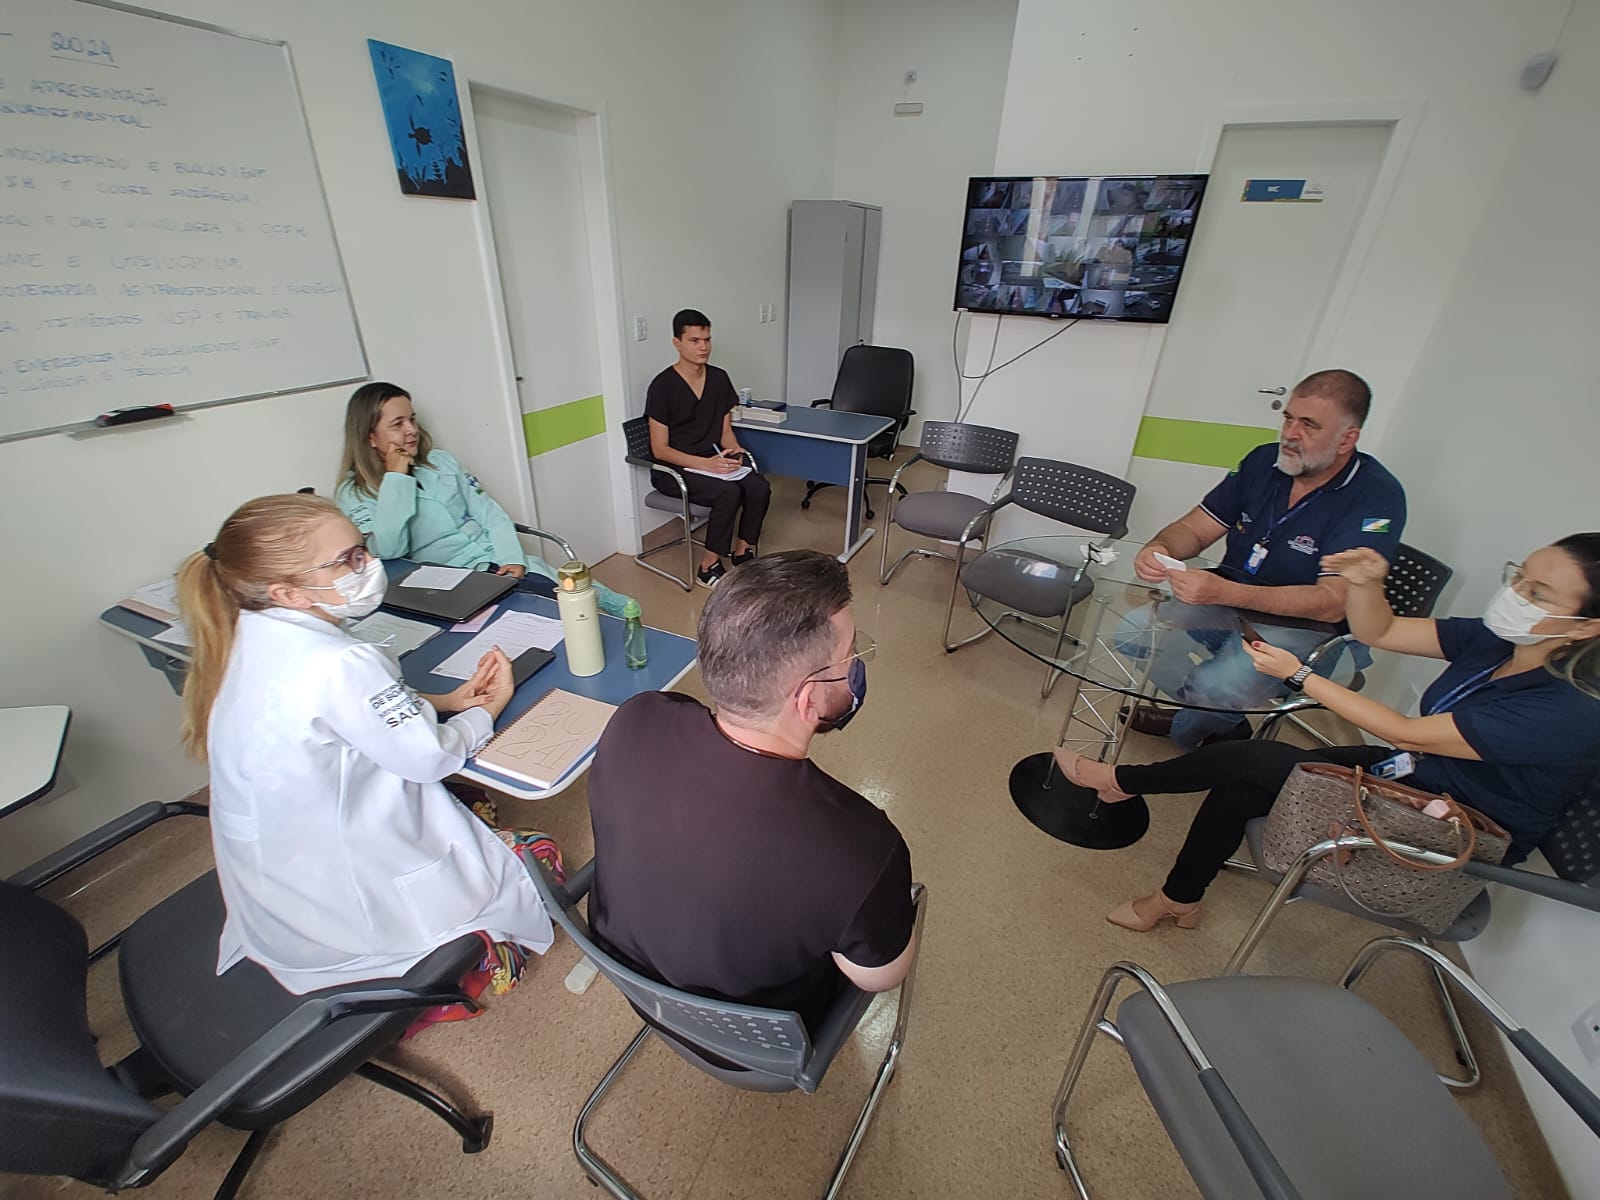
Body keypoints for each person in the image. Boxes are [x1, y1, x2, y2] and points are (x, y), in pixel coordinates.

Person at [1058, 536, 1600, 932]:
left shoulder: (1571, 709)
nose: (1517, 594)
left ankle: (1122, 783)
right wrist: (1365, 584)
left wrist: (1299, 674)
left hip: (1458, 833)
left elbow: (1407, 729)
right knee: (1245, 776)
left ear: (1584, 627)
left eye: (1540, 593)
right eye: (1519, 575)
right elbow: (1378, 630)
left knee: (1250, 763)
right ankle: (1178, 897)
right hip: (1417, 775)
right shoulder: (1497, 643)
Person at [175, 493, 556, 993]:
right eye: (349, 560)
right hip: (347, 898)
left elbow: (340, 713)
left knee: (472, 813)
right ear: (288, 593)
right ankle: (461, 963)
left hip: (280, 887)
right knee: (533, 862)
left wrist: (446, 700)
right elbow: (431, 758)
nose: (369, 565)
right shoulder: (341, 664)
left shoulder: (245, 633)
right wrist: (488, 707)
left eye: (364, 549)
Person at [584, 550, 916, 1031]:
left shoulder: (636, 716)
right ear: (807, 699)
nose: (855, 666)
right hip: (755, 1040)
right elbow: (878, 976)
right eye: (850, 656)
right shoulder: (863, 847)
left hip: (637, 986)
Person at [1124, 368, 1407, 748]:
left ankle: (1201, 726)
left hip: (1306, 627)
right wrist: (1160, 548)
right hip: (1231, 599)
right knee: (1129, 633)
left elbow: (1332, 604)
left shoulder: (1376, 496)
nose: (1290, 433)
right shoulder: (1263, 461)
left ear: (1347, 439)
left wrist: (1224, 593)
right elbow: (1194, 529)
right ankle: (1212, 713)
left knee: (1216, 684)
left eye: (1309, 425)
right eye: (1288, 418)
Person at [335, 381, 634, 617]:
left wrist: (511, 558)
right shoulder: (355, 492)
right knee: (558, 613)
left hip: (498, 560)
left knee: (566, 601)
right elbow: (389, 549)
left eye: (412, 419)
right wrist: (396, 480)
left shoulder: (440, 461)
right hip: (455, 579)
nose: (412, 430)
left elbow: (489, 512)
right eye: (397, 424)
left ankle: (596, 596)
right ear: (370, 437)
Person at [644, 309, 771, 587]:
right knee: (728, 493)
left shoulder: (719, 379)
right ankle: (708, 566)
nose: (703, 347)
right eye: (694, 340)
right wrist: (707, 464)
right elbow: (659, 450)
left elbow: (725, 432)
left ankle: (742, 552)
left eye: (707, 339)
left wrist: (734, 454)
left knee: (758, 485)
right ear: (677, 343)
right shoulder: (663, 387)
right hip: (673, 469)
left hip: (712, 462)